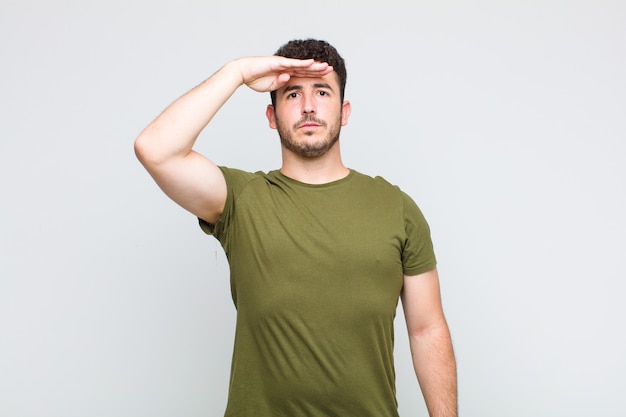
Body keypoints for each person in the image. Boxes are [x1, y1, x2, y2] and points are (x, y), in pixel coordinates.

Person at [134, 38, 457, 417]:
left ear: (345, 111)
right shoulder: (241, 199)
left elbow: (427, 329)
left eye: (322, 92)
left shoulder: (396, 208)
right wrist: (236, 72)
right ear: (271, 117)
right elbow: (155, 149)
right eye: (291, 94)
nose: (308, 106)